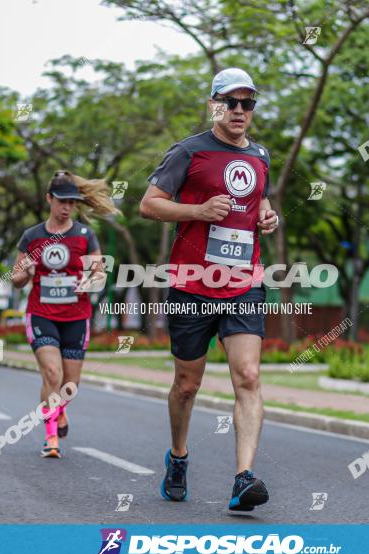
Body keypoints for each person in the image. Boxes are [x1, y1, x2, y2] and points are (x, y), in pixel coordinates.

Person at [139, 68, 280, 512]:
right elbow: (149, 205)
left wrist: (268, 216)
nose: (239, 111)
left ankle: (243, 479)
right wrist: (198, 210)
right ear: (214, 104)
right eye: (230, 102)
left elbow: (260, 201)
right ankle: (178, 457)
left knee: (249, 376)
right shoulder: (188, 152)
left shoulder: (260, 156)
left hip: (243, 282)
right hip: (192, 283)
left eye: (247, 103)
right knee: (187, 383)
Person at [11, 170, 115, 458]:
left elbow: (99, 275)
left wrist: (88, 280)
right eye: (61, 201)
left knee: (70, 385)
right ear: (49, 199)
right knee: (52, 373)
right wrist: (26, 272)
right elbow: (15, 277)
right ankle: (51, 437)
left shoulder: (85, 235)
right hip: (41, 314)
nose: (67, 207)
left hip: (76, 316)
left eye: (72, 202)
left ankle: (58, 410)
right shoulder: (32, 236)